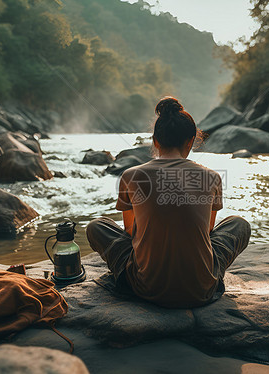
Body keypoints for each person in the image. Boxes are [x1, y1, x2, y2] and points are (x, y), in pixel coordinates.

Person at [86, 97, 251, 308]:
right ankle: (204, 275)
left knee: (97, 227)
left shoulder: (131, 176)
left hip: (145, 287)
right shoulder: (211, 177)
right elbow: (208, 232)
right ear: (191, 141)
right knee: (239, 224)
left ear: (155, 141)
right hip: (202, 289)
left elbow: (129, 232)